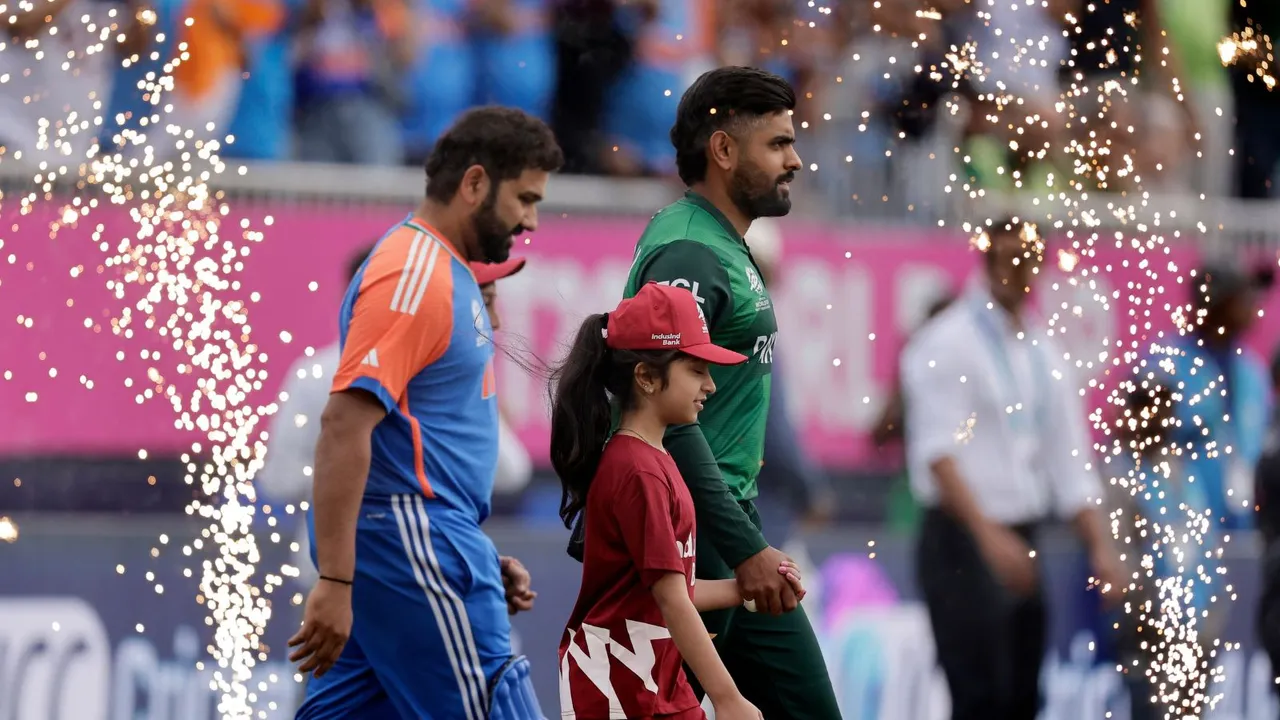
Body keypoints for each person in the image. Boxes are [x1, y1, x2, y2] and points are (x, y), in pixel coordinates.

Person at [569, 65, 842, 720]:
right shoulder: (690, 252)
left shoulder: (723, 245)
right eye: (777, 143)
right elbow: (661, 407)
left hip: (725, 523)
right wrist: (745, 549)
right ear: (723, 150)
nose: (796, 160)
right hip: (689, 527)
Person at [286, 106, 563, 720]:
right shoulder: (415, 274)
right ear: (473, 184)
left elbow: (423, 441)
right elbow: (344, 425)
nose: (530, 220)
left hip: (422, 544)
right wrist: (335, 578)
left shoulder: (444, 273)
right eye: (524, 198)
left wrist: (472, 551)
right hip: (413, 544)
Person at [899, 218, 1124, 720]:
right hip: (963, 537)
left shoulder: (1041, 351)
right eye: (1003, 258)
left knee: (1021, 696)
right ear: (985, 259)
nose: (1014, 270)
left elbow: (1070, 460)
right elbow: (939, 455)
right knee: (978, 695)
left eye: (1024, 259)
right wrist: (988, 537)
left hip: (1020, 533)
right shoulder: (947, 341)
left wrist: (1100, 548)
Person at [550, 281, 804, 720]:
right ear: (647, 377)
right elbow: (671, 600)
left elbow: (672, 589)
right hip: (621, 692)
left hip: (654, 688)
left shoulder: (656, 458)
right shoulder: (637, 470)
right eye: (695, 370)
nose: (711, 385)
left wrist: (742, 591)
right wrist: (727, 698)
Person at [257, 249, 533, 589]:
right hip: (418, 575)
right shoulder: (448, 369)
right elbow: (509, 469)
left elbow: (279, 482)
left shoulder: (314, 375)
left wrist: (342, 474)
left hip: (332, 575)